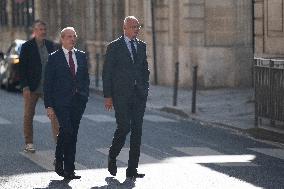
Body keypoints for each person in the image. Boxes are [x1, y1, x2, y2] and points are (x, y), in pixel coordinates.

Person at [102, 16, 150, 179]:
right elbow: (107, 72)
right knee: (124, 127)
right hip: (120, 96)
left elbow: (145, 70)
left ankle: (132, 169)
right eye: (133, 26)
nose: (137, 29)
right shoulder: (114, 47)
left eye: (138, 26)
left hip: (139, 95)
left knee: (137, 131)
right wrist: (108, 96)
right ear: (125, 28)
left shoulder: (142, 46)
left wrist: (145, 88)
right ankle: (112, 155)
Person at [44, 27, 89, 180]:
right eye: (69, 36)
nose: (72, 39)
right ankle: (59, 159)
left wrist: (84, 95)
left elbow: (85, 79)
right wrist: (49, 106)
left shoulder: (82, 56)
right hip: (61, 102)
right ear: (62, 39)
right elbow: (48, 83)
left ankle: (69, 169)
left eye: (74, 36)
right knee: (67, 130)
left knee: (73, 134)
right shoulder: (54, 57)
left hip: (78, 101)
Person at [19, 20, 59, 153]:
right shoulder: (26, 46)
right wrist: (25, 87)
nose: (43, 32)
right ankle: (29, 143)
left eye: (44, 29)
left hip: (49, 88)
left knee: (55, 116)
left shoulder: (51, 45)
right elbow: (22, 68)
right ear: (35, 31)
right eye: (40, 29)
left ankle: (59, 145)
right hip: (32, 88)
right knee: (29, 115)